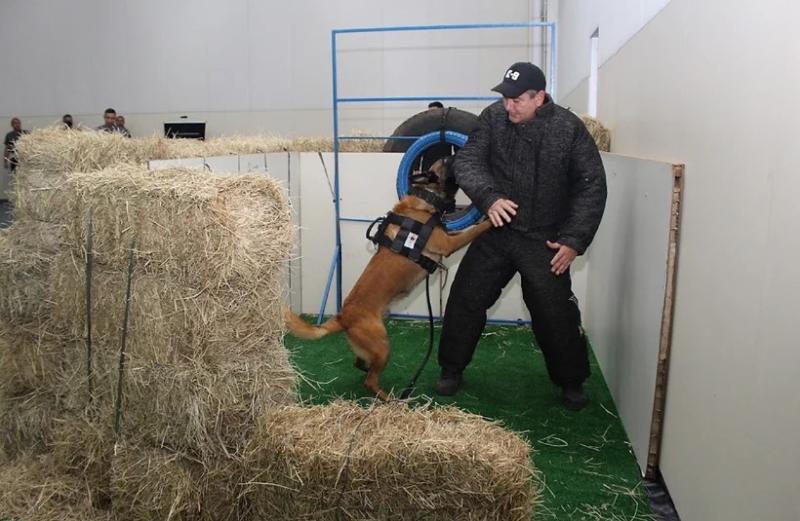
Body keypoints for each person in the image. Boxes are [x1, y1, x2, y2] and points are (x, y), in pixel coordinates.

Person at [435, 62, 607, 411]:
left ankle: (571, 381)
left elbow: (591, 186)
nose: (508, 106)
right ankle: (451, 368)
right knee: (466, 297)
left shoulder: (568, 129)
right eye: (505, 98)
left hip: (544, 240)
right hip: (497, 232)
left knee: (554, 314)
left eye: (516, 100)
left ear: (539, 97)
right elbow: (467, 161)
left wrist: (574, 240)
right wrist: (488, 197)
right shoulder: (493, 119)